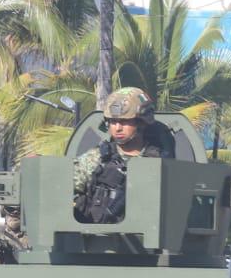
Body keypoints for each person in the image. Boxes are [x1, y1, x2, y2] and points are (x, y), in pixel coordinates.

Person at [72, 87, 170, 223]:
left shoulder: (159, 162)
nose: (117, 128)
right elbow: (65, 182)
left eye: (124, 121)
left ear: (141, 122)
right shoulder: (98, 157)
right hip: (96, 237)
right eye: (113, 121)